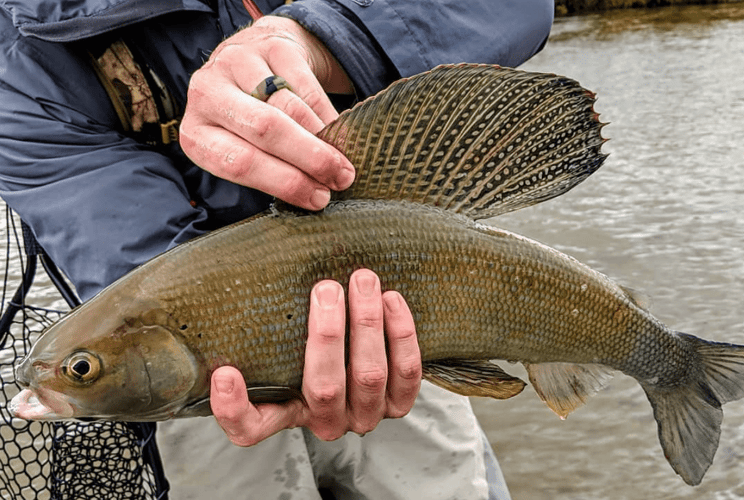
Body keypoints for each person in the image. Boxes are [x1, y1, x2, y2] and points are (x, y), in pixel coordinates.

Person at [0, 1, 553, 498]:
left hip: (406, 309)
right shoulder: (17, 71)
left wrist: (318, 37)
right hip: (221, 398)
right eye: (78, 368)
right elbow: (140, 263)